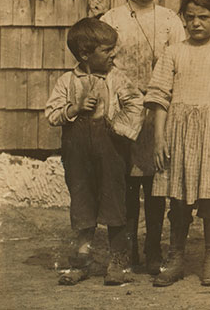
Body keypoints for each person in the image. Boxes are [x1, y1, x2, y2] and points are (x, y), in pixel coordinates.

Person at [145, 0, 210, 287]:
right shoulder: (173, 53)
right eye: (190, 17)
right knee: (178, 201)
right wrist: (160, 138)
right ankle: (175, 257)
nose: (196, 23)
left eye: (204, 17)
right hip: (178, 134)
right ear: (183, 19)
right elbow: (160, 98)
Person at [100, 0, 185, 274]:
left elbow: (178, 60)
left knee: (154, 185)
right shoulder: (112, 19)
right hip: (121, 110)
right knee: (124, 184)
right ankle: (124, 249)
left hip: (158, 112)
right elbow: (102, 64)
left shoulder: (168, 20)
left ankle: (152, 248)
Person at [45, 17, 144, 286]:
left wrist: (118, 126)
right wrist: (75, 108)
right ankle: (82, 260)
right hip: (77, 155)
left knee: (114, 202)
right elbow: (51, 114)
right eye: (107, 50)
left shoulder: (118, 79)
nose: (114, 54)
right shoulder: (67, 81)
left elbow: (136, 104)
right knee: (82, 202)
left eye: (114, 48)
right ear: (85, 54)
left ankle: (118, 262)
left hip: (111, 150)